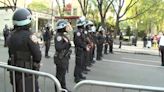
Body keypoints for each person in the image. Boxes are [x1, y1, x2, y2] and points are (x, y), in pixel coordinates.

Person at [7, 8, 41, 92]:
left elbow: (10, 53)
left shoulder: (11, 36)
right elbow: (38, 56)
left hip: (14, 73)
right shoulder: (30, 36)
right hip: (27, 74)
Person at [54, 20, 72, 92]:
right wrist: (66, 43)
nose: (66, 28)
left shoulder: (62, 35)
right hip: (60, 58)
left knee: (63, 74)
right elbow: (58, 48)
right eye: (65, 27)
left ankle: (63, 88)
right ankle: (57, 89)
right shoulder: (59, 36)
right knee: (59, 76)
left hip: (64, 58)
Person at [73, 17, 89, 83]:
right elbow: (78, 42)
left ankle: (79, 74)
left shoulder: (81, 32)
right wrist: (85, 47)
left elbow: (84, 40)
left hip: (82, 50)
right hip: (79, 50)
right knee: (78, 64)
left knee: (81, 63)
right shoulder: (78, 32)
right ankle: (76, 77)